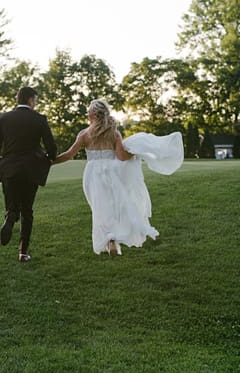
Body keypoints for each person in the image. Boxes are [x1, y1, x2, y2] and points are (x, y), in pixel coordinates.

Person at [52, 99, 183, 256]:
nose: (87, 113)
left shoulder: (85, 134)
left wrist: (51, 161)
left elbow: (69, 154)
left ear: (93, 114)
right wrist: (134, 152)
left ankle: (110, 240)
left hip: (93, 173)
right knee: (113, 206)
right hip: (112, 172)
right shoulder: (113, 133)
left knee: (100, 209)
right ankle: (113, 238)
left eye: (89, 111)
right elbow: (121, 157)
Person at [0, 86, 58, 262]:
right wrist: (49, 158)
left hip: (9, 169)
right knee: (27, 211)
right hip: (31, 169)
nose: (35, 103)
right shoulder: (39, 119)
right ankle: (23, 252)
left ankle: (10, 218)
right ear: (30, 100)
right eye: (35, 100)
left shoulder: (4, 118)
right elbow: (51, 147)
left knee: (12, 207)